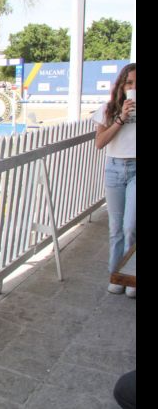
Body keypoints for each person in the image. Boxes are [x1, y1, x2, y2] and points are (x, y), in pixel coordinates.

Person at [93, 63, 136, 298]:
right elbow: (100, 143)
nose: (133, 88)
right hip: (114, 169)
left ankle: (130, 276)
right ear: (121, 85)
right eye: (129, 83)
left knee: (131, 226)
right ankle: (115, 275)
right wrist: (121, 118)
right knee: (116, 228)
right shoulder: (108, 109)